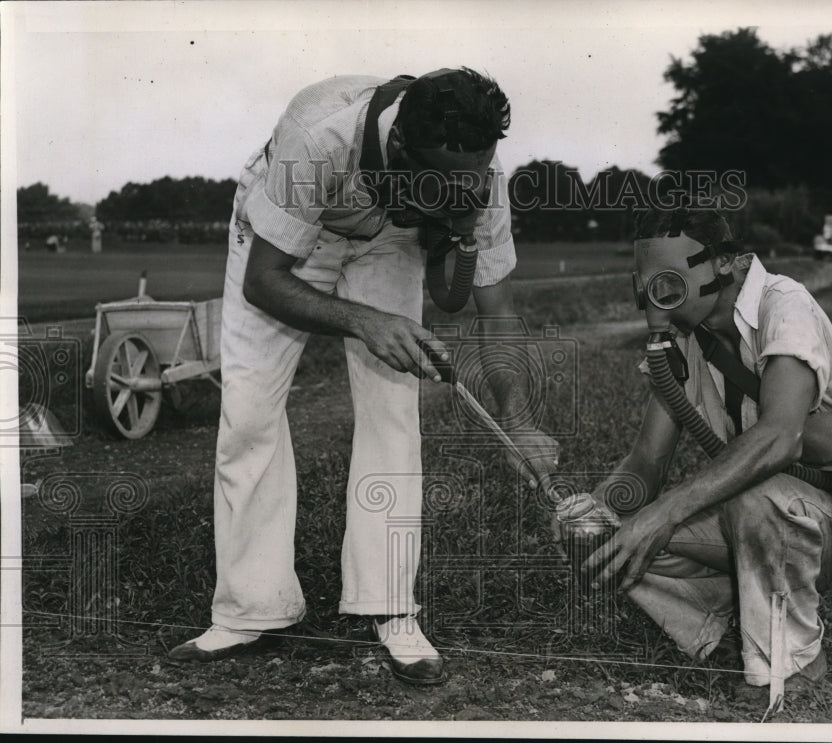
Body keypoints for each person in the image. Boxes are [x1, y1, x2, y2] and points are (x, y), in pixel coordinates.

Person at [168, 68, 558, 685]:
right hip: (292, 233)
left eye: (477, 177)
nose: (471, 191)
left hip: (391, 234)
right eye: (453, 183)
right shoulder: (318, 140)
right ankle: (251, 608)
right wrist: (365, 322)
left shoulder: (476, 175)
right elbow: (265, 282)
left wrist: (518, 420)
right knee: (248, 414)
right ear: (400, 147)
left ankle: (392, 608)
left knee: (392, 409)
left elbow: (494, 308)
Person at [584, 207, 832, 696]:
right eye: (648, 284)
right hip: (762, 514)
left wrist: (666, 512)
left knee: (752, 496)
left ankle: (794, 660)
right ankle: (721, 628)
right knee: (605, 530)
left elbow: (781, 438)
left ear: (726, 262)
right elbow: (647, 463)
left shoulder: (784, 305)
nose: (656, 297)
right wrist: (597, 509)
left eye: (668, 280)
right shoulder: (686, 340)